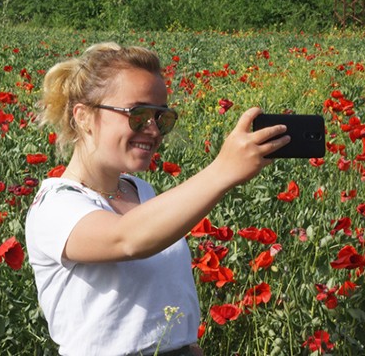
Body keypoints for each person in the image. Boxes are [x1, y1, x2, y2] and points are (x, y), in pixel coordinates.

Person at [24, 42, 289, 356]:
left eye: (162, 118)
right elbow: (126, 240)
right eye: (138, 115)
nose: (152, 130)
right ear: (83, 116)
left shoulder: (139, 191)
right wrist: (223, 170)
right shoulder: (55, 206)